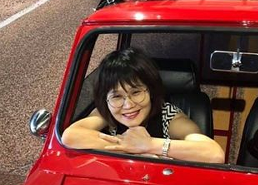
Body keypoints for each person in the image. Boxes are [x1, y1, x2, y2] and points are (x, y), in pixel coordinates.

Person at [62, 48, 225, 163]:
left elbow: (214, 154)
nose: (128, 105)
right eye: (117, 96)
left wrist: (149, 145)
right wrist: (129, 147)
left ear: (151, 91)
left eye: (136, 92)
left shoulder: (169, 116)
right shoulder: (108, 111)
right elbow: (70, 136)